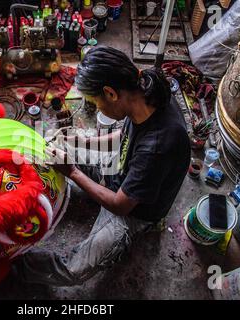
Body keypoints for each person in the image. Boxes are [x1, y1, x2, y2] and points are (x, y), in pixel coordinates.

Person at [13, 46, 191, 286]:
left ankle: (12, 264)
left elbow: (120, 205)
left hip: (132, 212)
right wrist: (82, 140)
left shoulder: (157, 146)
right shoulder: (143, 92)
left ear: (111, 93)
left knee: (73, 270)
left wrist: (73, 172)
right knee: (60, 148)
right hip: (120, 169)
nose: (97, 109)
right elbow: (123, 136)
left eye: (96, 103)